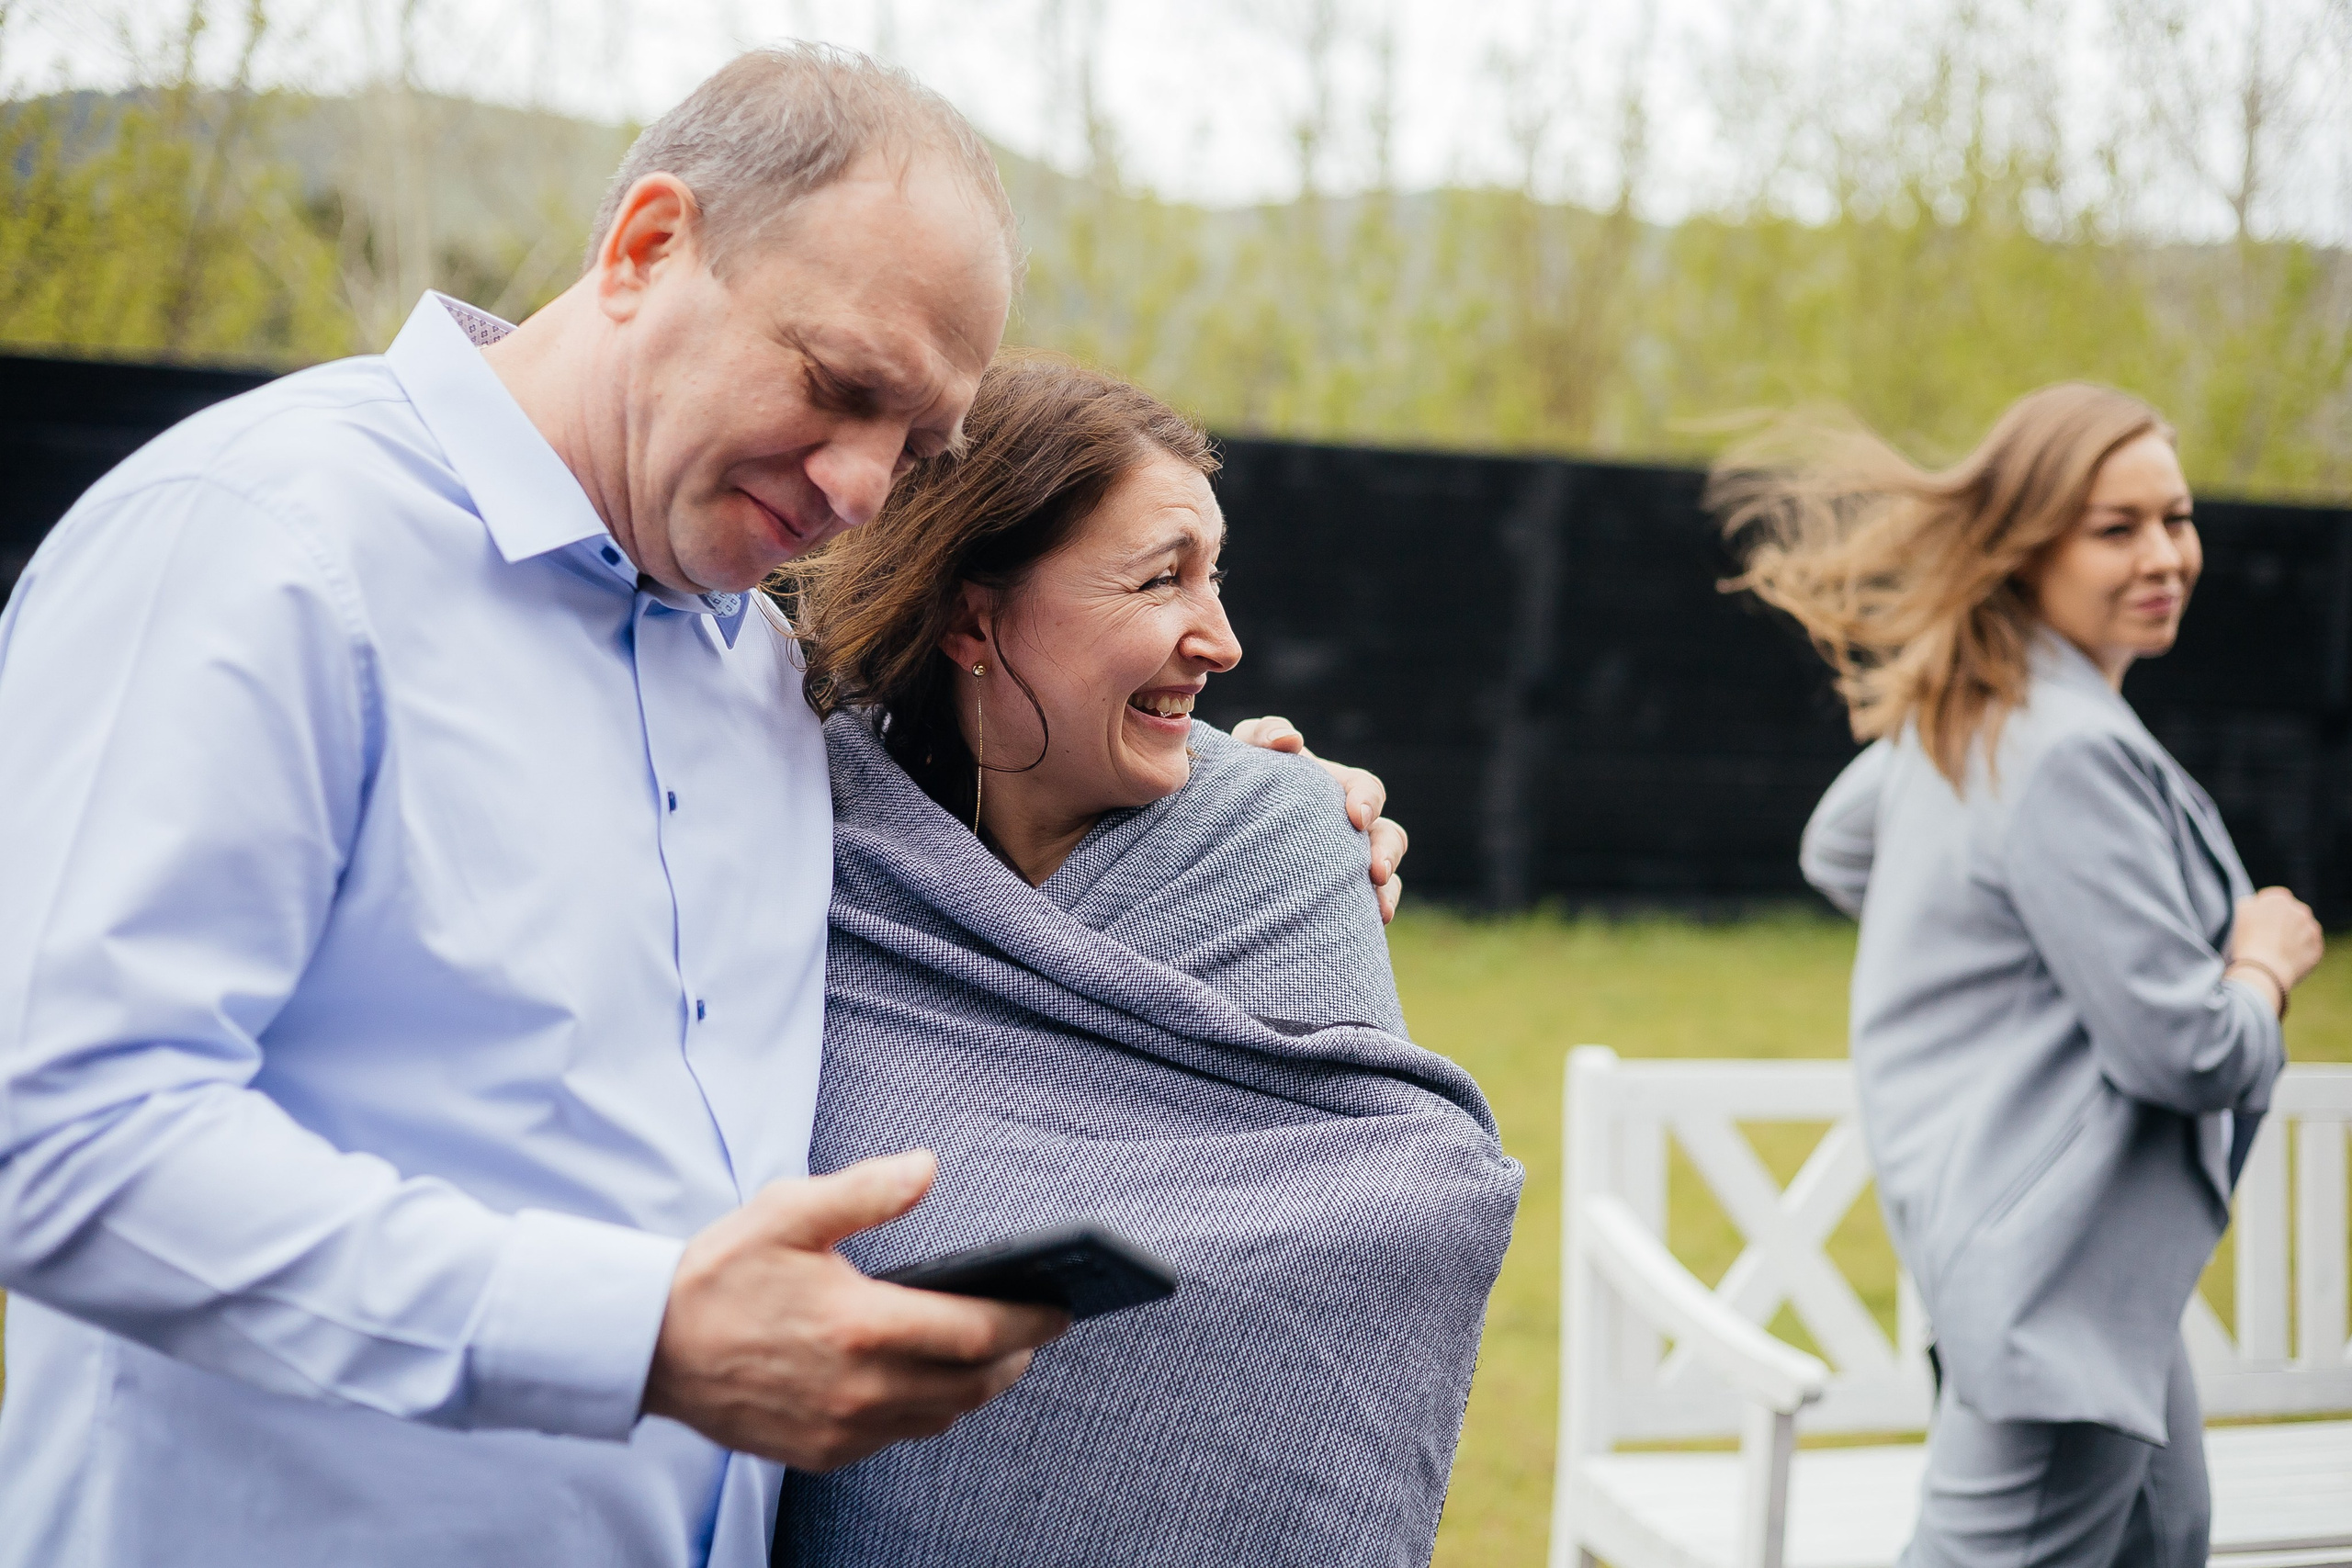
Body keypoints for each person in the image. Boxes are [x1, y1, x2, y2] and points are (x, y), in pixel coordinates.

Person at [0, 47, 1406, 1568]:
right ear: (647, 246)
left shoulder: (757, 678)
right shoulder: (261, 544)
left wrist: (1254, 813)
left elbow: (975, 854)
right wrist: (637, 1333)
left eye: (918, 444)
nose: (868, 488)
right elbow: (60, 1132)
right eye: (839, 387)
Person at [764, 355, 1521, 1567]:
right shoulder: (802, 844)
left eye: (1216, 577)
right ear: (973, 616)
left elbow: (1395, 1208)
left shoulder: (1281, 837)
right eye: (1163, 578)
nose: (1220, 639)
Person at [1713, 383, 2324, 1567]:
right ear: (2028, 547)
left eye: (2178, 518)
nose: (2164, 556)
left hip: (2087, 1279)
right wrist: (2262, 962)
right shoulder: (2062, 747)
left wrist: (2009, 959)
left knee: (2168, 1538)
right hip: (2055, 1278)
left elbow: (1840, 848)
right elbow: (2188, 1053)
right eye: (2116, 528)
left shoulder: (1983, 710)